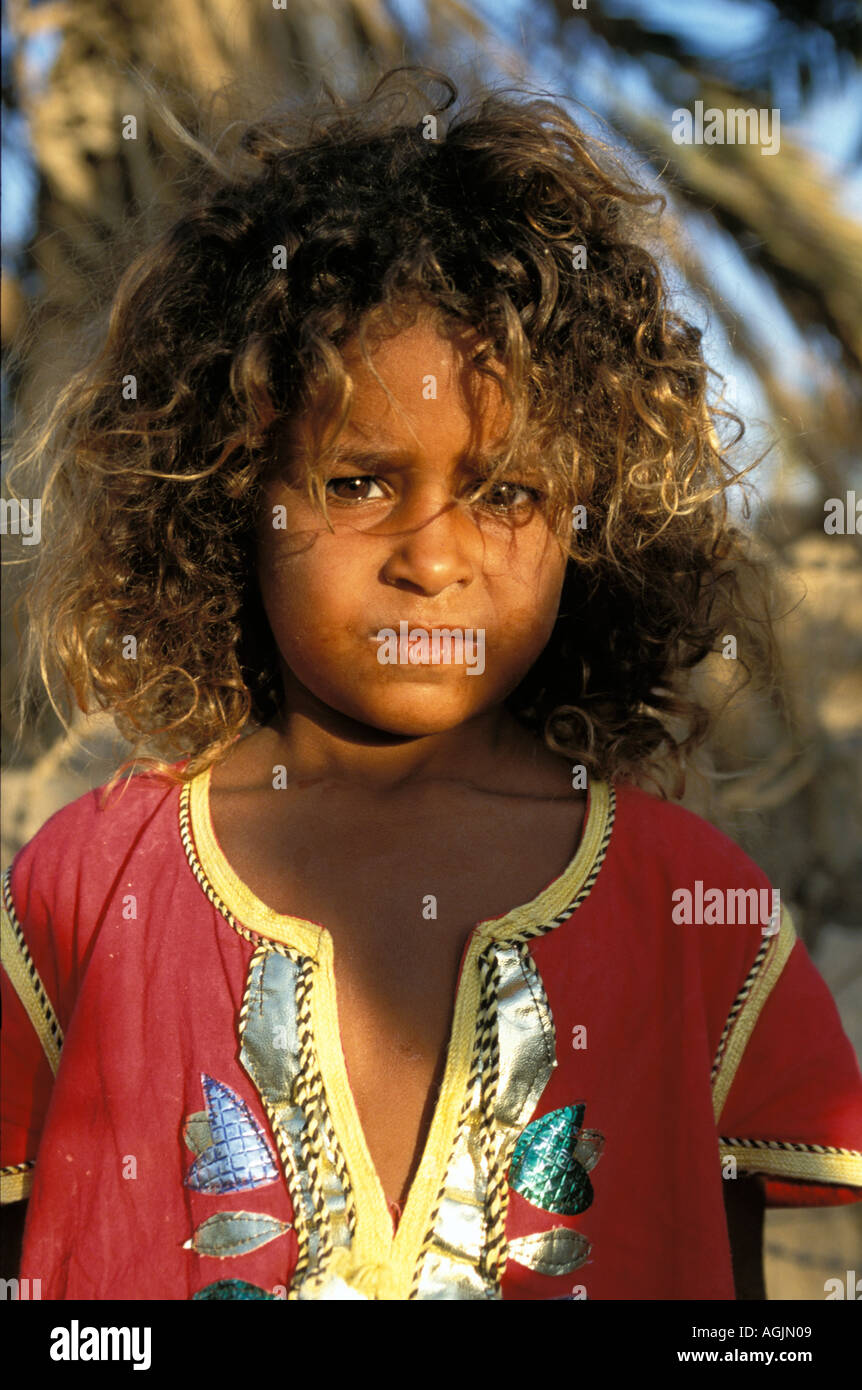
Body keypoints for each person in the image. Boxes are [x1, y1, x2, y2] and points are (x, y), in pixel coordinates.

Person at [1, 66, 860, 1302]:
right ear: (230, 493)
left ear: (586, 522)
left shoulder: (693, 913)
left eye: (505, 493)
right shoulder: (82, 892)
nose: (437, 557)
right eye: (359, 483)